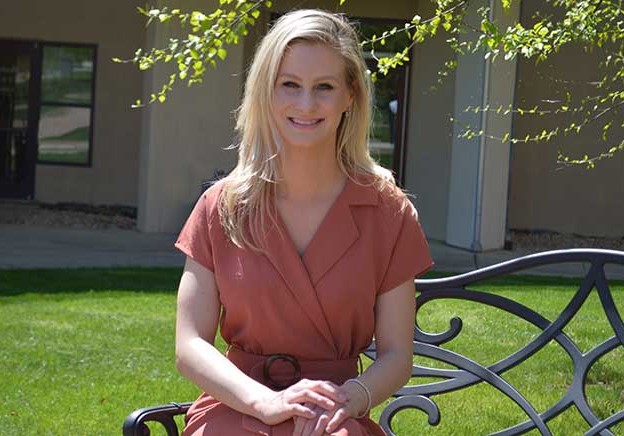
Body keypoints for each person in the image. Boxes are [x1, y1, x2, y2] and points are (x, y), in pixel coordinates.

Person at [173, 9, 433, 436]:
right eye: (289, 85)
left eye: (324, 87)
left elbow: (396, 356)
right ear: (266, 92)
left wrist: (349, 398)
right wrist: (265, 402)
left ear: (350, 95)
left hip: (333, 412)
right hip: (235, 406)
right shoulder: (221, 206)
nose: (306, 104)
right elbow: (190, 345)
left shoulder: (388, 212)